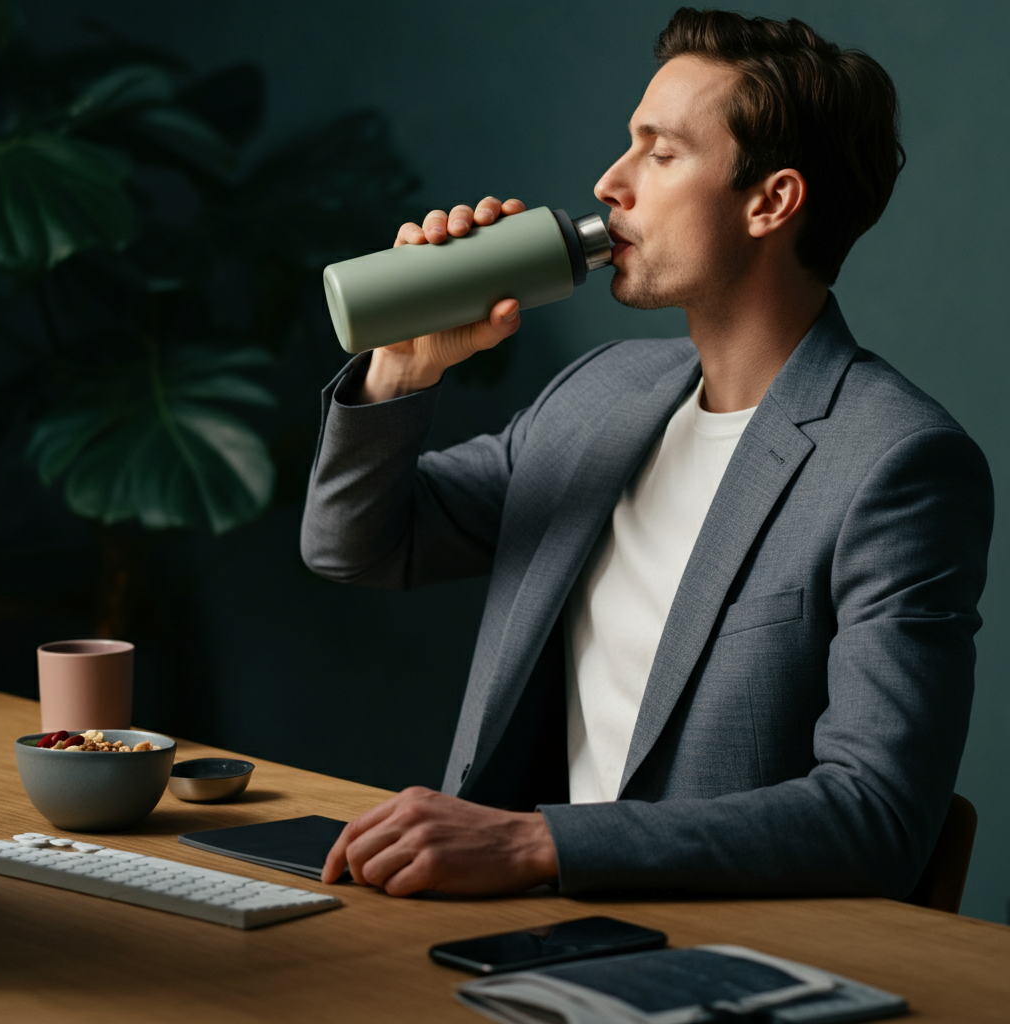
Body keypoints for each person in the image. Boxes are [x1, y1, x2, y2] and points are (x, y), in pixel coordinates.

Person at [300, 9, 992, 899]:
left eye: (660, 154)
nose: (610, 183)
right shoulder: (600, 396)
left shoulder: (897, 465)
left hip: (705, 957)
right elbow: (356, 545)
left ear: (771, 202)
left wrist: (534, 844)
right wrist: (404, 366)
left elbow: (876, 815)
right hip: (498, 930)